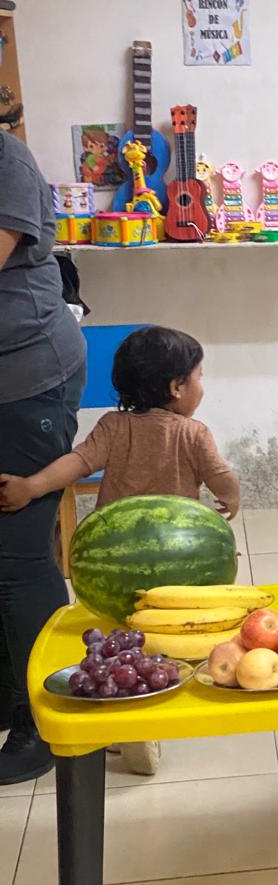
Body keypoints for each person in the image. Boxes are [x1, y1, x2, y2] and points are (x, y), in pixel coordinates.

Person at [0, 325, 240, 775]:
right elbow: (220, 477)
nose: (201, 386)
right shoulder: (193, 433)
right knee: (165, 640)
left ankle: (120, 708)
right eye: (199, 376)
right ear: (177, 387)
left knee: (119, 641)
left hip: (113, 564)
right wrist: (232, 496)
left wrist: (32, 486)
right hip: (178, 569)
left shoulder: (113, 426)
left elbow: (77, 463)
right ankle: (152, 715)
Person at [0, 131, 87, 784]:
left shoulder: (5, 156)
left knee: (19, 553)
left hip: (27, 381)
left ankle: (47, 715)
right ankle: (11, 695)